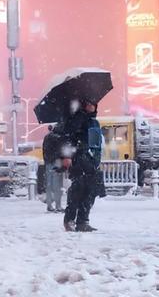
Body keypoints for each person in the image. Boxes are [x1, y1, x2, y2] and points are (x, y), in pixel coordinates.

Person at [63, 99, 106, 232]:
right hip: (79, 159)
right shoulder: (76, 121)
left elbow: (97, 143)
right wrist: (68, 156)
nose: (91, 106)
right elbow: (68, 138)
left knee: (90, 192)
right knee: (77, 192)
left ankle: (83, 221)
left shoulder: (94, 122)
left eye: (93, 104)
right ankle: (69, 220)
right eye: (88, 103)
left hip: (92, 161)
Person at [42, 124, 65, 212]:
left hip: (48, 162)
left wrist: (46, 160)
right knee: (57, 184)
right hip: (57, 162)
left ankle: (49, 205)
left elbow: (44, 150)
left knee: (49, 184)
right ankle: (58, 206)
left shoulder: (47, 137)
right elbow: (61, 151)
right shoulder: (59, 138)